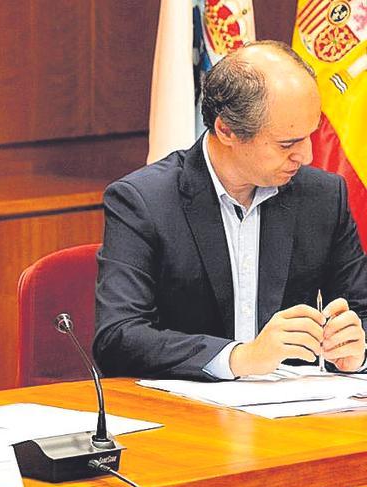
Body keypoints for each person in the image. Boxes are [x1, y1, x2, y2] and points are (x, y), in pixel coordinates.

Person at [94, 41, 367, 380]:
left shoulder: (322, 196)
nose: (308, 155)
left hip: (295, 414)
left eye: (310, 135)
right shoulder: (144, 201)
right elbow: (117, 338)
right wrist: (240, 358)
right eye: (287, 143)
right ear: (226, 130)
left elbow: (362, 310)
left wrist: (358, 347)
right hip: (183, 415)